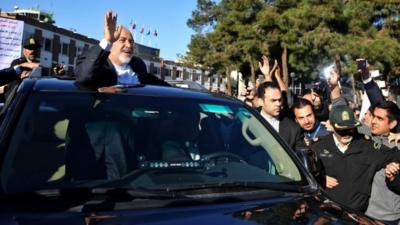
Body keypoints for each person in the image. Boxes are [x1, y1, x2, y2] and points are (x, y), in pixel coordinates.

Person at [311, 105, 400, 213]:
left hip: (358, 216)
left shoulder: (369, 147)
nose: (347, 133)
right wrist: (319, 179)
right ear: (332, 126)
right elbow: (301, 173)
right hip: (327, 215)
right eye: (342, 130)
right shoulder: (318, 147)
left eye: (350, 128)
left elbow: (396, 155)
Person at [75, 11, 168, 88]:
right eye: (122, 40)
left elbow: (155, 83)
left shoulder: (137, 64)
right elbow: (84, 77)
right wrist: (108, 40)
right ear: (111, 43)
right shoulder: (97, 63)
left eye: (131, 41)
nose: (129, 45)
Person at [256, 81, 304, 151]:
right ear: (260, 101)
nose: (278, 104)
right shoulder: (246, 120)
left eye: (279, 100)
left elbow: (300, 156)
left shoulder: (293, 129)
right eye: (273, 100)